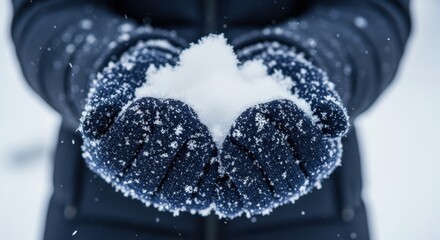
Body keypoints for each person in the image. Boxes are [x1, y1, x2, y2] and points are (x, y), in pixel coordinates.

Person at [10, 0, 411, 239]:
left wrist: (311, 61)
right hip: (103, 217)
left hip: (312, 218)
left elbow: (373, 8)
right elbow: (46, 9)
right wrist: (111, 63)